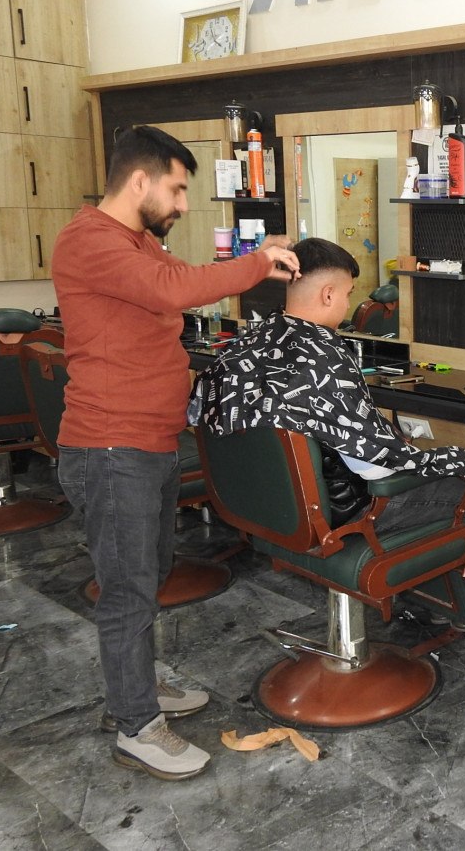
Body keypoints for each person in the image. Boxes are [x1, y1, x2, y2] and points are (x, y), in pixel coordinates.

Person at [52, 124, 301, 782]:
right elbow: (172, 292)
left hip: (148, 442)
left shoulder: (137, 242)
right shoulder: (89, 240)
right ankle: (137, 725)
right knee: (129, 590)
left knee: (149, 572)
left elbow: (181, 280)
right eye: (178, 188)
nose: (184, 204)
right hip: (111, 447)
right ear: (140, 180)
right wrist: (257, 263)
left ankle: (135, 686)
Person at [191, 237, 465, 618]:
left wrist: (388, 440)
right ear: (328, 294)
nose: (346, 305)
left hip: (264, 508)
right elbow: (375, 470)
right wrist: (418, 455)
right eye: (347, 294)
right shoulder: (325, 358)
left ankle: (428, 591)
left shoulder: (246, 347)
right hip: (340, 514)